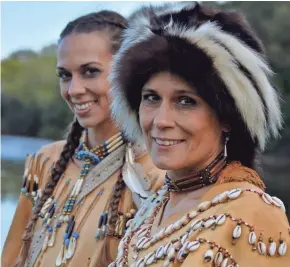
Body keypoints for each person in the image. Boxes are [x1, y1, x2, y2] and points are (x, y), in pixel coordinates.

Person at [108, 2, 290, 266]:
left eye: (186, 101)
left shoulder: (254, 216)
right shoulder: (152, 209)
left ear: (227, 117)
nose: (161, 120)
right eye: (151, 98)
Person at [2, 11, 164, 267]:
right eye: (65, 75)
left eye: (90, 71)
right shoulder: (44, 162)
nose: (74, 89)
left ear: (127, 73)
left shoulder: (156, 177)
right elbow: (10, 258)